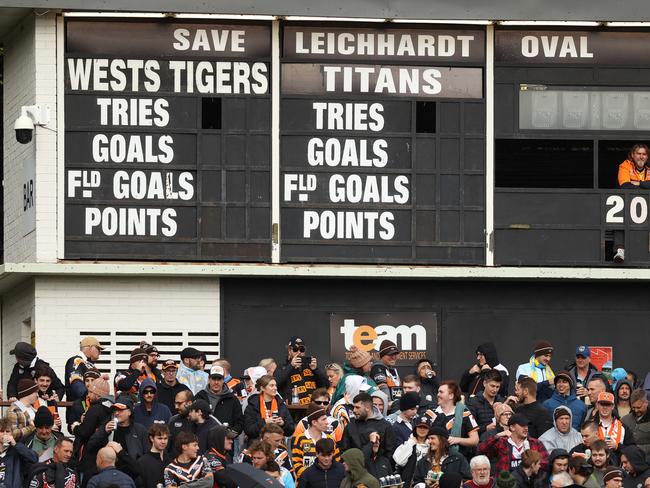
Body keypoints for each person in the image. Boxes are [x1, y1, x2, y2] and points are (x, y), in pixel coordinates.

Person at [85, 396, 148, 482]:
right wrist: (104, 431)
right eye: (115, 410)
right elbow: (90, 446)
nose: (117, 413)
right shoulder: (107, 426)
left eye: (120, 410)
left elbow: (145, 455)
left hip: (132, 476)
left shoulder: (139, 430)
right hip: (109, 476)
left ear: (129, 412)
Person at [342, 392, 396, 477]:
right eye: (354, 407)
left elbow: (390, 453)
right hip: (355, 475)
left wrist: (382, 468)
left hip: (378, 474)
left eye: (357, 407)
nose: (354, 410)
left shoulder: (385, 426)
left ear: (367, 408)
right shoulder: (350, 427)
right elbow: (344, 452)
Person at [615, 143, 650, 262]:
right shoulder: (625, 165)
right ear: (632, 155)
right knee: (618, 219)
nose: (641, 157)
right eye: (638, 154)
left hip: (647, 206)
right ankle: (620, 252)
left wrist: (638, 183)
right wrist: (645, 186)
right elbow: (625, 186)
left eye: (644, 154)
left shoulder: (649, 169)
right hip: (627, 204)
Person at [479, 413, 549, 473]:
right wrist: (497, 436)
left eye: (527, 425)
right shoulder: (501, 443)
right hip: (507, 483)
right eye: (522, 425)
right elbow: (481, 450)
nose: (526, 428)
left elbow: (546, 463)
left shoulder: (536, 443)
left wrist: (534, 464)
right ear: (512, 427)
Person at [431, 381, 480, 458]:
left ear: (451, 395)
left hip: (457, 460)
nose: (438, 395)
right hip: (434, 459)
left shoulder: (465, 413)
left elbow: (475, 440)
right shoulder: (430, 413)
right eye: (438, 392)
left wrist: (457, 440)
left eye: (441, 392)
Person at [274, 336, 327, 405]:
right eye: (295, 349)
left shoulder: (311, 366)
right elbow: (276, 383)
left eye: (302, 349)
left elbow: (325, 385)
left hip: (311, 408)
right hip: (292, 409)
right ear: (289, 351)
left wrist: (316, 370)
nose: (299, 352)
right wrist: (291, 366)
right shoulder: (282, 367)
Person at [292, 404, 339, 479]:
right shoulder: (300, 439)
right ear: (314, 422)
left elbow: (337, 462)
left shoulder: (330, 439)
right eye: (323, 419)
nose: (327, 422)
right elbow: (296, 464)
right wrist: (311, 477)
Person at [195, 364, 243, 434]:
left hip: (224, 441)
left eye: (219, 379)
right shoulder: (199, 397)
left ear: (223, 380)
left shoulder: (232, 399)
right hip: (203, 439)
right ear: (209, 379)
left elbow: (240, 423)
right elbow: (191, 418)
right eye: (214, 379)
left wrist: (229, 433)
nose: (216, 382)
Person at [243, 374, 295, 441]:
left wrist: (283, 424)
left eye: (275, 385)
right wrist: (265, 422)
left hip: (278, 445)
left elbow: (291, 430)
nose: (275, 388)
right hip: (258, 445)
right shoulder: (253, 405)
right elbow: (248, 430)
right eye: (271, 385)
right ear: (262, 388)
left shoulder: (281, 404)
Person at [65, 337, 104, 416]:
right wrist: (90, 396)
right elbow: (76, 382)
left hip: (92, 409)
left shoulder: (88, 364)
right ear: (91, 347)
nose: (100, 352)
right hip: (79, 411)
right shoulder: (77, 360)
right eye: (98, 349)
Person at [394, 414, 434, 487]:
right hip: (408, 483)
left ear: (429, 430)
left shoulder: (432, 447)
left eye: (425, 427)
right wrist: (410, 443)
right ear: (415, 428)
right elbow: (399, 461)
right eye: (420, 427)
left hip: (425, 483)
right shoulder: (407, 443)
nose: (422, 429)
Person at [0, 417, 38, 488]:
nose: (5, 434)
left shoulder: (17, 450)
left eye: (7, 431)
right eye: (2, 431)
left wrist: (15, 444)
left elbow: (34, 458)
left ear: (12, 433)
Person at [467, 370, 506, 437]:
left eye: (497, 387)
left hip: (501, 442)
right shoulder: (473, 403)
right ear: (484, 383)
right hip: (481, 443)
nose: (495, 390)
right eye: (492, 386)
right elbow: (468, 429)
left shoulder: (502, 402)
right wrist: (486, 428)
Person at [370, 339, 403, 408]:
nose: (393, 357)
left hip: (396, 406)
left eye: (395, 354)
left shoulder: (391, 369)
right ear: (382, 355)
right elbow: (383, 388)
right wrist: (390, 404)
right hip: (387, 408)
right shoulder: (377, 368)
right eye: (390, 354)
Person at [138, 423, 170, 488]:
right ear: (152, 438)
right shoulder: (142, 462)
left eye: (165, 438)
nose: (163, 442)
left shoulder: (170, 459)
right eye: (160, 438)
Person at [622, 389, 650, 457]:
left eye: (638, 407)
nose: (636, 410)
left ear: (646, 403)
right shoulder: (624, 420)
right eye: (633, 407)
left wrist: (637, 449)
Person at [168, 390, 194, 454]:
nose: (176, 407)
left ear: (189, 403)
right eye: (175, 403)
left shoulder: (199, 420)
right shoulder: (173, 420)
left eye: (179, 403)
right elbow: (167, 446)